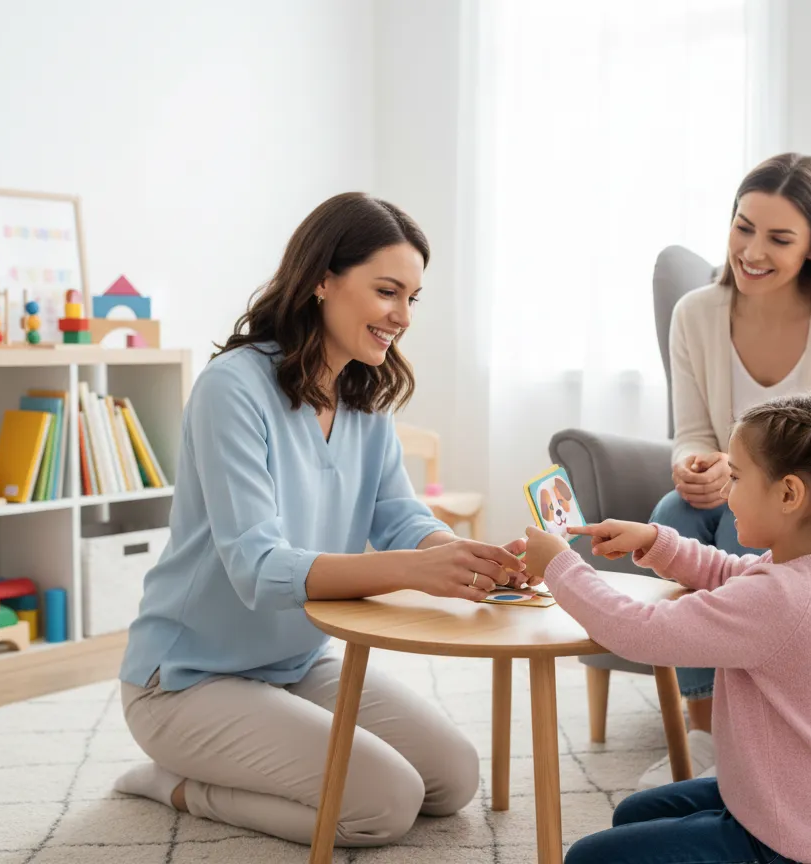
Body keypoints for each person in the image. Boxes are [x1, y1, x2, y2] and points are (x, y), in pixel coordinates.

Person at [112, 192, 527, 848]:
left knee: (453, 778)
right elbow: (258, 567)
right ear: (322, 280)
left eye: (412, 298)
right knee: (382, 806)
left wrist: (460, 556)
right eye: (387, 291)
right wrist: (415, 570)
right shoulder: (232, 389)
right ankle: (180, 786)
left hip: (294, 663)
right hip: (187, 681)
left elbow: (397, 514)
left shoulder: (363, 396)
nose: (401, 316)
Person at [524, 393, 811, 864]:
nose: (727, 492)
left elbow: (640, 632)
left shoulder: (779, 599)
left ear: (789, 493)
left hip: (793, 844)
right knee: (634, 813)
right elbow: (734, 572)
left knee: (587, 858)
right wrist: (656, 541)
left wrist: (561, 566)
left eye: (736, 477)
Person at [645, 152, 811, 787]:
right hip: (746, 490)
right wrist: (695, 466)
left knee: (747, 528)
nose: (752, 251)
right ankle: (706, 732)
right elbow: (692, 434)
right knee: (674, 513)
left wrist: (741, 480)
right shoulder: (695, 314)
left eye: (779, 238)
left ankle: (756, 726)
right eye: (742, 227)